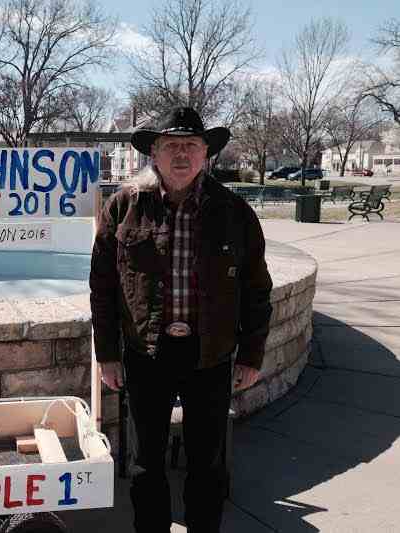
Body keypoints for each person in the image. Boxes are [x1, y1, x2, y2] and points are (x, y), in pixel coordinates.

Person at [90, 107, 273, 532]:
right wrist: (108, 355)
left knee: (208, 464)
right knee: (145, 463)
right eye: (171, 145)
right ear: (154, 152)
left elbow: (256, 290)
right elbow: (103, 287)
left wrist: (251, 355)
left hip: (209, 355)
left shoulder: (235, 213)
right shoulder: (124, 207)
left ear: (206, 153)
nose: (181, 154)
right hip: (146, 354)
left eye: (191, 145)